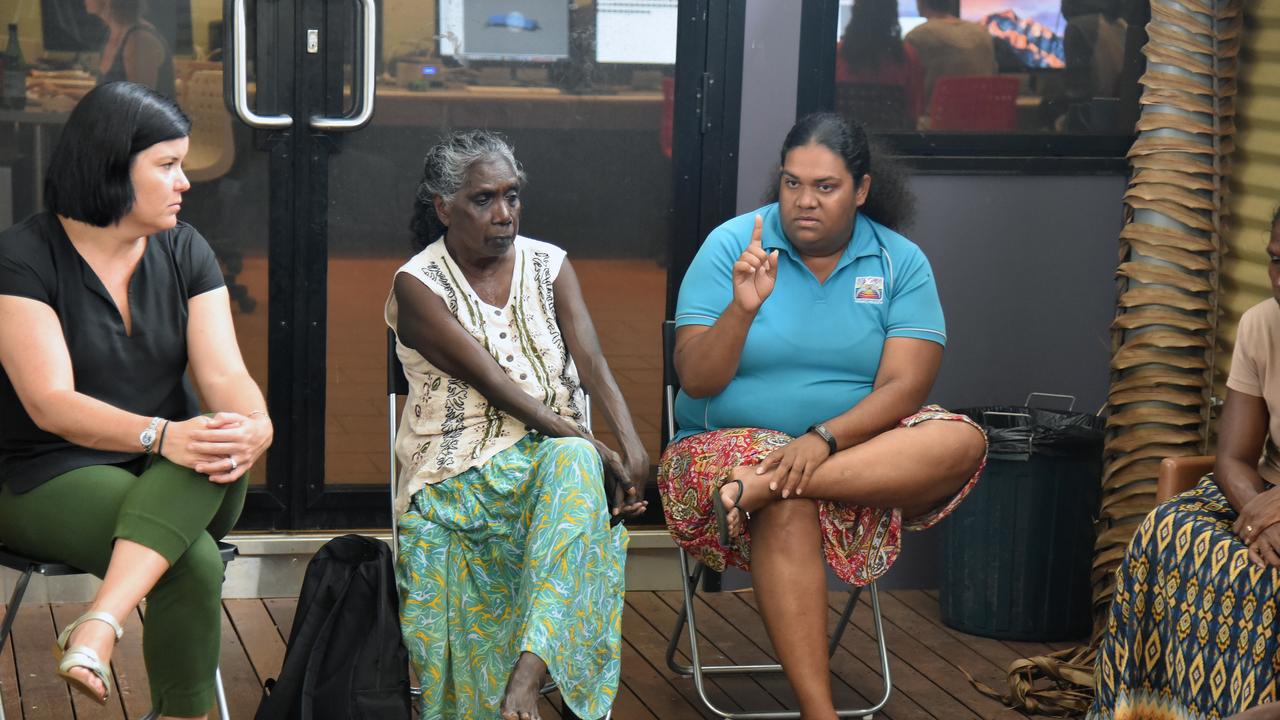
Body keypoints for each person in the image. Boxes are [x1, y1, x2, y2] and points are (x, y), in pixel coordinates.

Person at [657, 112, 988, 720]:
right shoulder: (734, 245)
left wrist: (823, 440)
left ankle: (759, 486)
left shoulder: (898, 261)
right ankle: (820, 715)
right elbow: (696, 379)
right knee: (789, 506)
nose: (803, 201)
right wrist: (741, 309)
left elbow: (905, 385)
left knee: (961, 441)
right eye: (791, 183)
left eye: (825, 187)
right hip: (719, 449)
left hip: (852, 452)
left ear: (861, 189)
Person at [0, 82, 270, 719]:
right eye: (168, 165)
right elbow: (50, 404)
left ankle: (98, 624)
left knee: (218, 428)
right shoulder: (21, 260)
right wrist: (162, 436)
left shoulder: (184, 249)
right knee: (190, 559)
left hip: (177, 471)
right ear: (111, 168)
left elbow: (225, 373)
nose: (186, 181)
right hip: (46, 472)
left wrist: (256, 424)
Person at [387, 130, 649, 720]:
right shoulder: (417, 285)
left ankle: (525, 679)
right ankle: (516, 686)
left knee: (575, 466)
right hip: (456, 480)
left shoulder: (549, 263)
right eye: (484, 200)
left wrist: (630, 447)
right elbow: (497, 386)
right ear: (444, 208)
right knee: (580, 463)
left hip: (553, 470)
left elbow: (592, 361)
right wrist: (591, 445)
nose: (504, 214)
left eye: (512, 196)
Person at [1089, 209, 1280, 720]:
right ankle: (1146, 710)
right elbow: (1233, 457)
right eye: (1276, 262)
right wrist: (1262, 514)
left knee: (1261, 584)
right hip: (1266, 494)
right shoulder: (1263, 323)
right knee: (1167, 528)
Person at [836, 0, 925, 123]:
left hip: (845, 140)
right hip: (894, 140)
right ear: (892, 14)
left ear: (856, 12)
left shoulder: (837, 53)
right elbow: (914, 112)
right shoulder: (906, 56)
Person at [904, 0, 997, 110]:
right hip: (984, 119)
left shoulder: (916, 36)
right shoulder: (983, 33)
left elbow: (908, 86)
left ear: (921, 3)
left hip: (937, 121)